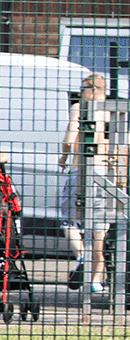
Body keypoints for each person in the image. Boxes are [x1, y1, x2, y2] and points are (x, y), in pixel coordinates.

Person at [59, 72, 127, 295]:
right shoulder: (112, 112)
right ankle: (96, 281)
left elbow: (70, 138)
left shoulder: (79, 108)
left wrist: (63, 157)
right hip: (105, 173)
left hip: (81, 169)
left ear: (88, 90)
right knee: (99, 230)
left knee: (68, 220)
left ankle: (81, 256)